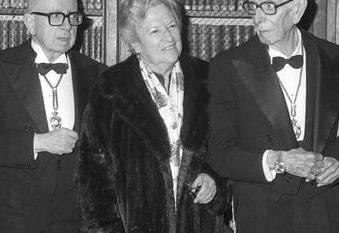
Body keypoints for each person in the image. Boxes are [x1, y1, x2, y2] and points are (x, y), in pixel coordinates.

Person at [76, 0, 230, 232]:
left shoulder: (208, 79)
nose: (168, 37)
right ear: (136, 43)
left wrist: (214, 181)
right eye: (155, 31)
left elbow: (228, 149)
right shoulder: (112, 87)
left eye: (171, 26)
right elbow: (93, 179)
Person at [0, 0, 107, 232]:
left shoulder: (98, 74)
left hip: (75, 220)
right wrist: (37, 142)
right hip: (11, 217)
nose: (67, 26)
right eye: (56, 16)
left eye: (73, 17)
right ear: (30, 23)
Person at [207, 0, 339, 232]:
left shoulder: (334, 58)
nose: (257, 17)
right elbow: (219, 151)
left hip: (326, 210)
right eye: (253, 6)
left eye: (268, 6)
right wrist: (276, 160)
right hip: (262, 213)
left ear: (297, 9)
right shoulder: (225, 66)